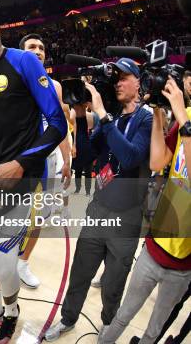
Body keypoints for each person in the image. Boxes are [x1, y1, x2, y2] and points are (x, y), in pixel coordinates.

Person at [0, 13, 67, 344]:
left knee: (4, 259)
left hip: (25, 177)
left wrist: (20, 162)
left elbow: (57, 123)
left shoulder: (24, 62)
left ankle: (12, 313)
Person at [46, 58, 153, 341]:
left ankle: (108, 325)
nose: (117, 82)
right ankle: (68, 319)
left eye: (123, 77)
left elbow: (130, 157)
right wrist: (81, 116)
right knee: (80, 274)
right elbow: (85, 152)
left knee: (113, 283)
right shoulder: (114, 116)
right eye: (114, 78)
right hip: (98, 208)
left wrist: (103, 116)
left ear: (138, 82)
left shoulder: (148, 118)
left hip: (127, 217)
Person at [98, 77, 191, 344]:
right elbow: (157, 161)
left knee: (153, 331)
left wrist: (183, 119)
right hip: (154, 245)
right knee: (122, 315)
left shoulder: (187, 118)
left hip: (184, 264)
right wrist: (160, 115)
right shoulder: (188, 117)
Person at [17, 33, 73, 288]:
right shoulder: (13, 81)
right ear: (22, 54)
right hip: (18, 157)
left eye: (41, 47)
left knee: (39, 215)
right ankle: (2, 259)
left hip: (47, 158)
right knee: (12, 212)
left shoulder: (55, 85)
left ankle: (23, 263)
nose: (38, 51)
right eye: (31, 47)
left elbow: (58, 125)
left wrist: (67, 159)